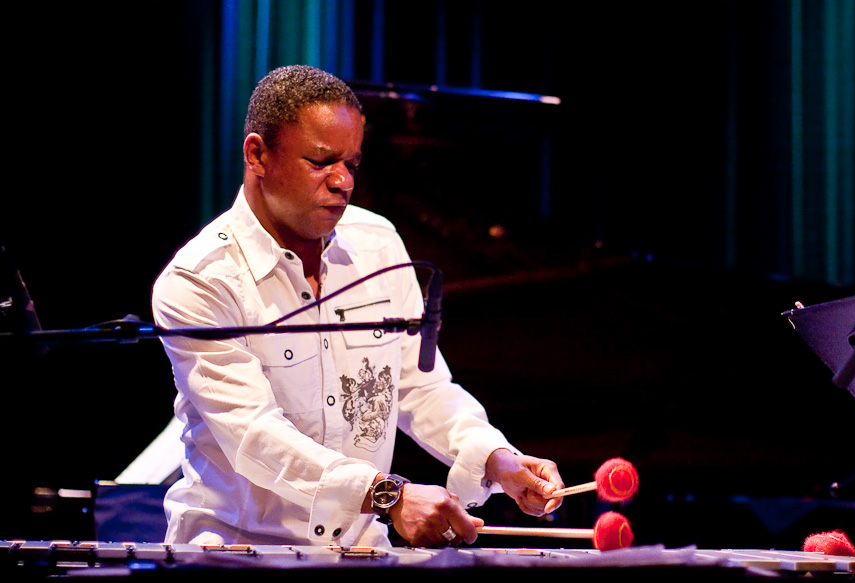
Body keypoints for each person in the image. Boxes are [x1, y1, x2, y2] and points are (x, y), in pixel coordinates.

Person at [152, 65, 564, 548]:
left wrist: (496, 456)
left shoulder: (378, 243)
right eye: (322, 161)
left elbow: (417, 385)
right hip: (239, 555)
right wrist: (388, 496)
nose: (343, 181)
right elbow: (255, 437)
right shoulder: (200, 280)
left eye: (352, 163)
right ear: (258, 154)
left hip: (359, 552)